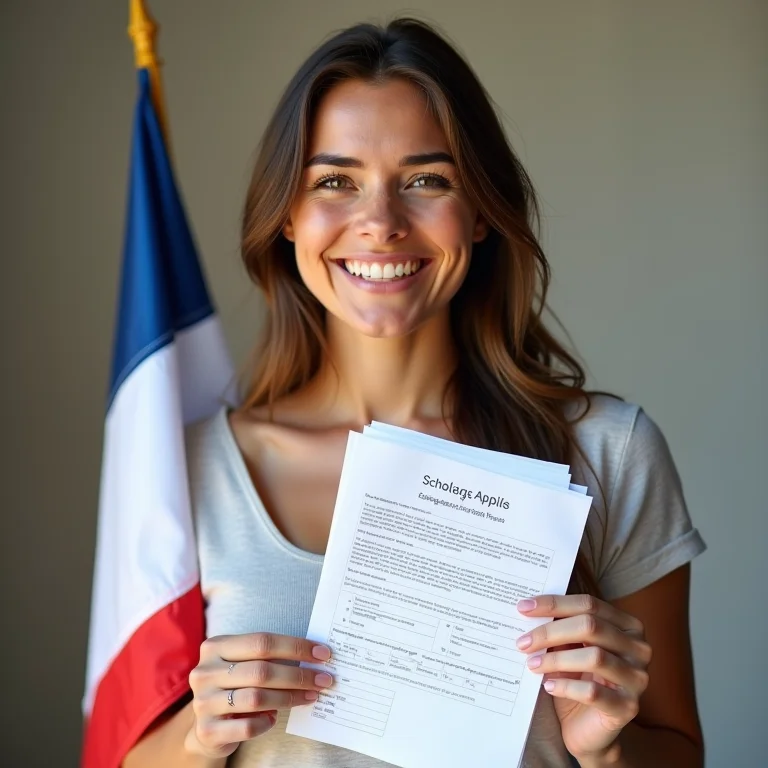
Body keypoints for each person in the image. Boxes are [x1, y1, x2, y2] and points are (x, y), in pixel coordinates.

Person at [124, 18, 706, 768]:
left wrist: (607, 750)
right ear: (287, 217)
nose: (380, 224)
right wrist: (200, 737)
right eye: (335, 181)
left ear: (483, 212)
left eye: (426, 181)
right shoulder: (189, 466)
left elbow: (683, 753)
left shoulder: (610, 451)